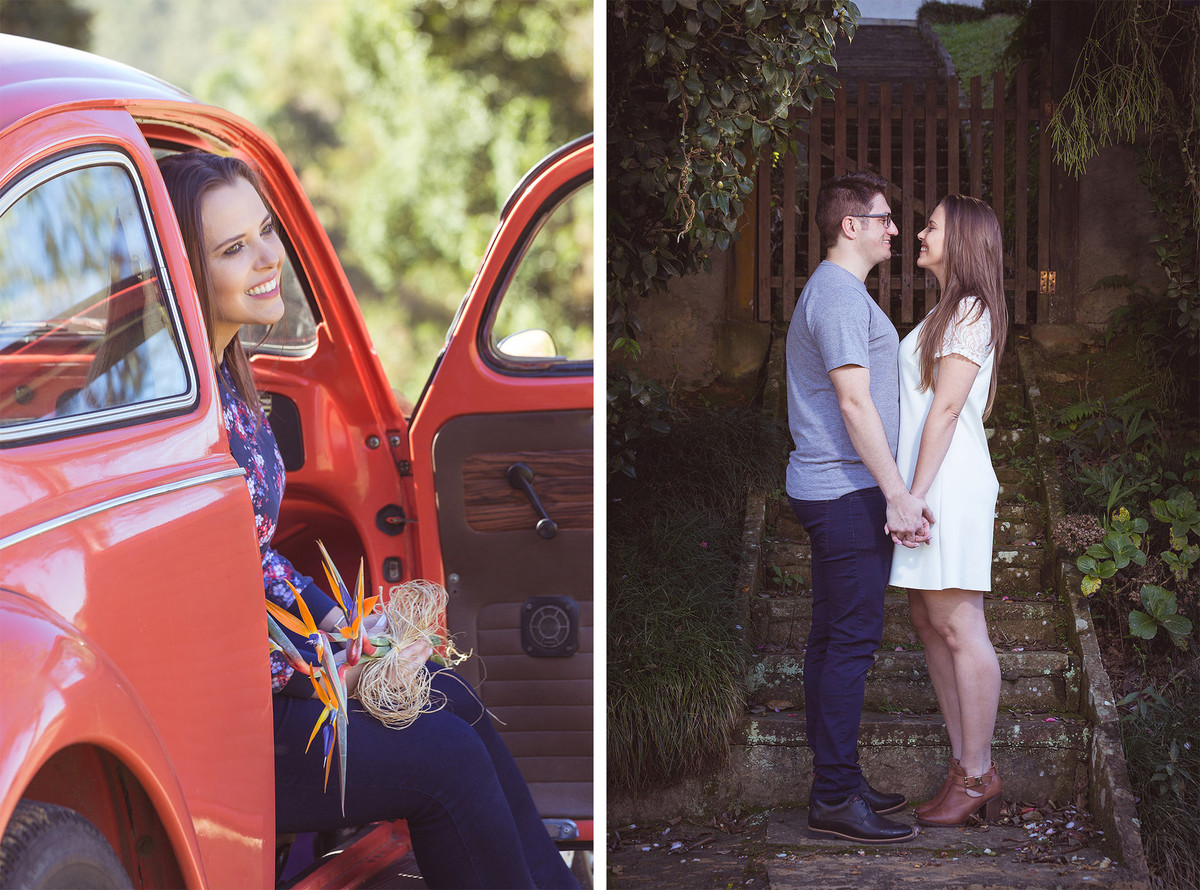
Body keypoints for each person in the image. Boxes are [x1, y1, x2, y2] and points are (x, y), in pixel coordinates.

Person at [157, 150, 579, 890]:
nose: (266, 260)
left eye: (263, 232)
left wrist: (354, 636)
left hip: (281, 683)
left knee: (455, 698)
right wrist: (329, 667)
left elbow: (257, 563)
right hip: (228, 724)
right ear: (185, 270)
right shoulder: (177, 410)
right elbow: (203, 602)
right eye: (232, 249)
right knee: (444, 762)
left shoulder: (223, 378)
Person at [785, 170, 931, 844]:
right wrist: (897, 493)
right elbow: (853, 401)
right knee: (850, 645)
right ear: (851, 225)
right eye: (883, 217)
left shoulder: (837, 292)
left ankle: (836, 779)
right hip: (845, 491)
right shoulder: (839, 297)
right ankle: (836, 797)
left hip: (834, 488)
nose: (894, 230)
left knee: (828, 640)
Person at [889, 195, 1009, 826]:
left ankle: (976, 771)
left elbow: (945, 409)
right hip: (926, 484)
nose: (918, 232)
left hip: (947, 486)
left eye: (930, 225)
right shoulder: (947, 310)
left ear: (961, 239)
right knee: (929, 621)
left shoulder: (968, 310)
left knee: (960, 625)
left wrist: (910, 494)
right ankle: (967, 767)